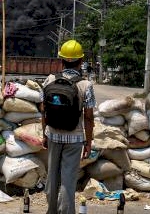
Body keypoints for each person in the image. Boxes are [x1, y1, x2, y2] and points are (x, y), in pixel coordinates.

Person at [41, 39, 95, 214]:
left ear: (61, 60)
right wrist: (88, 142)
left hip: (53, 135)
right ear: (80, 62)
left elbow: (44, 111)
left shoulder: (50, 80)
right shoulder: (86, 85)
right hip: (75, 137)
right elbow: (88, 117)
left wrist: (44, 134)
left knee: (52, 179)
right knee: (68, 181)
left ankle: (51, 211)